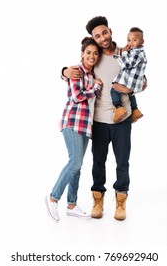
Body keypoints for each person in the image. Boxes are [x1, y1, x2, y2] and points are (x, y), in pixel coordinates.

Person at [63, 16, 142, 220]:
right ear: (93, 39)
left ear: (110, 31)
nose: (102, 38)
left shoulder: (125, 53)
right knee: (98, 162)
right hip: (97, 121)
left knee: (122, 162)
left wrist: (139, 86)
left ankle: (121, 201)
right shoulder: (94, 57)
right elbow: (76, 71)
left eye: (104, 32)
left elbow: (141, 76)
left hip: (122, 119)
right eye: (97, 36)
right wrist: (64, 72)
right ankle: (98, 199)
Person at [45, 37, 103, 222]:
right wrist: (96, 87)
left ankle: (72, 205)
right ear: (82, 54)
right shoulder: (77, 71)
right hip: (72, 122)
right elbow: (78, 96)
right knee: (75, 162)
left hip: (85, 125)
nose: (92, 56)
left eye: (95, 53)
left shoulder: (92, 74)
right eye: (88, 53)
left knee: (77, 167)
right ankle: (53, 197)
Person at [110, 27, 147, 123]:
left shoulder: (137, 53)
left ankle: (119, 108)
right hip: (133, 81)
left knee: (114, 90)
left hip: (131, 81)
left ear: (142, 41)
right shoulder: (136, 52)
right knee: (130, 94)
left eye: (134, 40)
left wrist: (123, 53)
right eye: (128, 40)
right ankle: (135, 110)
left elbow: (127, 64)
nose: (131, 43)